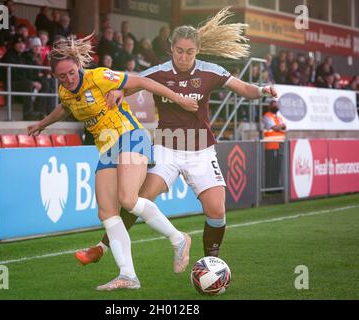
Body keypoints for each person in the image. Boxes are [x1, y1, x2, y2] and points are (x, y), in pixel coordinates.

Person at [77, 7, 278, 266]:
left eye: (189, 52)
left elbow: (244, 88)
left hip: (201, 151)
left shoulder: (210, 71)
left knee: (216, 210)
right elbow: (131, 83)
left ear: (197, 50)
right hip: (167, 148)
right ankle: (102, 248)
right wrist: (118, 92)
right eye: (179, 51)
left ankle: (210, 266)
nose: (184, 57)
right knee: (137, 200)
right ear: (171, 48)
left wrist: (263, 90)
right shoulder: (158, 72)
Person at [27, 36, 199, 290]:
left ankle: (178, 239)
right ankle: (128, 276)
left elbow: (143, 81)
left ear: (79, 65)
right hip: (107, 147)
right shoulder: (65, 90)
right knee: (107, 213)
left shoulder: (98, 76)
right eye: (61, 76)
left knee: (128, 199)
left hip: (131, 136)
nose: (68, 79)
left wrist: (180, 99)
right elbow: (64, 108)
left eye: (71, 73)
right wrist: (42, 124)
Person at [262, 100, 286, 189]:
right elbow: (275, 127)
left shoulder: (279, 118)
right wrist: (281, 127)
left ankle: (276, 187)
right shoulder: (267, 116)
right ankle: (269, 188)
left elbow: (284, 129)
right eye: (274, 105)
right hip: (270, 146)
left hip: (279, 146)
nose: (276, 106)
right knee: (270, 168)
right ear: (270, 107)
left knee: (277, 168)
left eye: (277, 105)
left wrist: (280, 127)